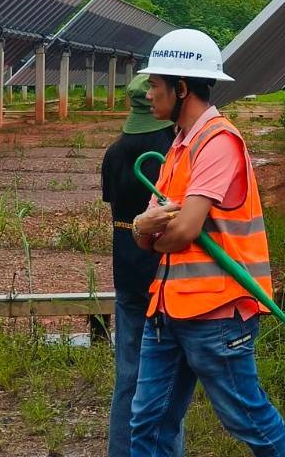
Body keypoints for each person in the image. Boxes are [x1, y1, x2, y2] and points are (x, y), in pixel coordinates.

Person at [128, 29, 285, 457]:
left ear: (181, 88)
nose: (148, 93)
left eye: (154, 84)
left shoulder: (218, 142)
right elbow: (152, 231)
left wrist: (147, 231)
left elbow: (182, 230)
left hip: (217, 313)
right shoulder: (178, 146)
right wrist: (141, 228)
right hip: (167, 310)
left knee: (248, 418)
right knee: (149, 422)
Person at [102, 73, 182, 457]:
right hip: (162, 272)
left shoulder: (115, 152)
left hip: (126, 273)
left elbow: (115, 208)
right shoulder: (171, 148)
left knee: (129, 376)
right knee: (165, 384)